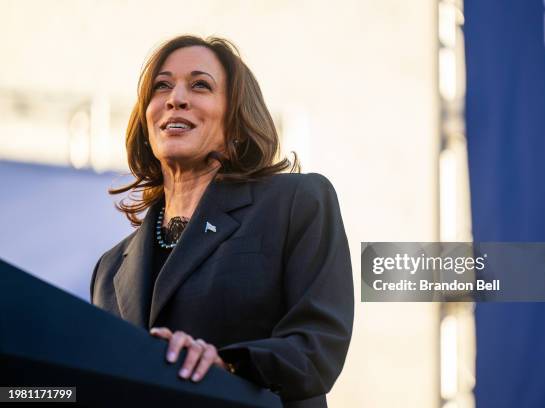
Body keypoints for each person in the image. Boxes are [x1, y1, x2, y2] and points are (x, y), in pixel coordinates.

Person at [90, 35, 354, 408]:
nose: (175, 98)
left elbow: (317, 347)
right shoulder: (109, 269)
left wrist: (227, 363)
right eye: (162, 86)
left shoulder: (297, 202)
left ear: (236, 120)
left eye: (200, 85)